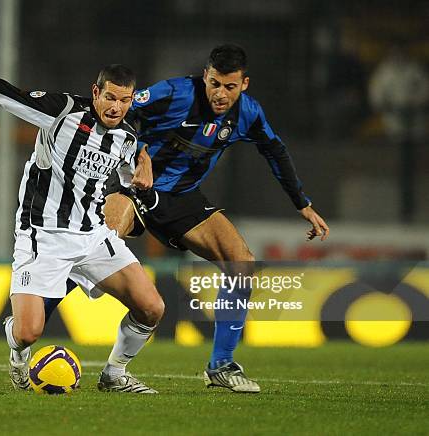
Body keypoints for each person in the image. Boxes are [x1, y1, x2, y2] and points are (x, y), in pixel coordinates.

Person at [48, 44, 330, 393]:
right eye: (214, 84)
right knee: (91, 245)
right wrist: (138, 152)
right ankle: (31, 324)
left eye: (229, 87)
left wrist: (302, 203)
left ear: (244, 85)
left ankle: (220, 366)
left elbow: (274, 150)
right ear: (205, 76)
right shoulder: (175, 92)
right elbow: (125, 111)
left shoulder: (249, 114)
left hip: (182, 199)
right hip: (134, 187)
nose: (220, 94)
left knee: (240, 260)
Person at [0, 62, 163, 394]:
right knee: (28, 333)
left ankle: (115, 373)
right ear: (96, 92)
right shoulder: (62, 112)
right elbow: (0, 93)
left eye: (124, 100)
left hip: (93, 237)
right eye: (110, 97)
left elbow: (129, 179)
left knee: (152, 307)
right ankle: (17, 351)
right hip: (43, 236)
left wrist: (141, 178)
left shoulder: (127, 136)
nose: (116, 107)